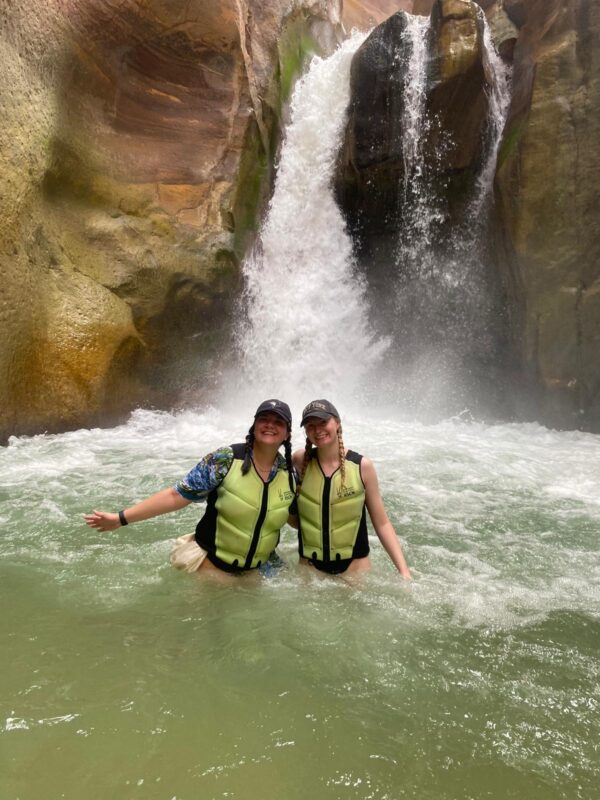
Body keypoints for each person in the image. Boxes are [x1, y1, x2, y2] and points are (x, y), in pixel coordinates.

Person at [84, 400, 296, 577]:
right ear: (254, 426)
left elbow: (297, 516)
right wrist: (120, 519)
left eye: (278, 422)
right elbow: (177, 495)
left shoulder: (290, 473)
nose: (270, 425)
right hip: (212, 568)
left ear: (287, 434)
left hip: (257, 573)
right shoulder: (225, 459)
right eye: (264, 420)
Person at [292, 399, 411, 579]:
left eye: (323, 422)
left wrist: (404, 572)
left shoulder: (362, 466)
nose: (317, 430)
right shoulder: (300, 461)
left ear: (337, 423)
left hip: (354, 572)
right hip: (310, 572)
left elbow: (382, 523)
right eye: (310, 425)